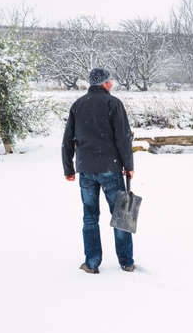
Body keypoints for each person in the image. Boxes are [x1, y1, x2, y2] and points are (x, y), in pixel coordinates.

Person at [62, 68, 135, 274]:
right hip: (110, 167)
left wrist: (68, 168)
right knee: (121, 214)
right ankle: (126, 262)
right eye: (109, 81)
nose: (111, 84)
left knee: (90, 217)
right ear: (103, 83)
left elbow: (67, 140)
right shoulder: (113, 103)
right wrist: (129, 166)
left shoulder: (78, 105)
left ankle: (92, 263)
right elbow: (123, 138)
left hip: (86, 170)